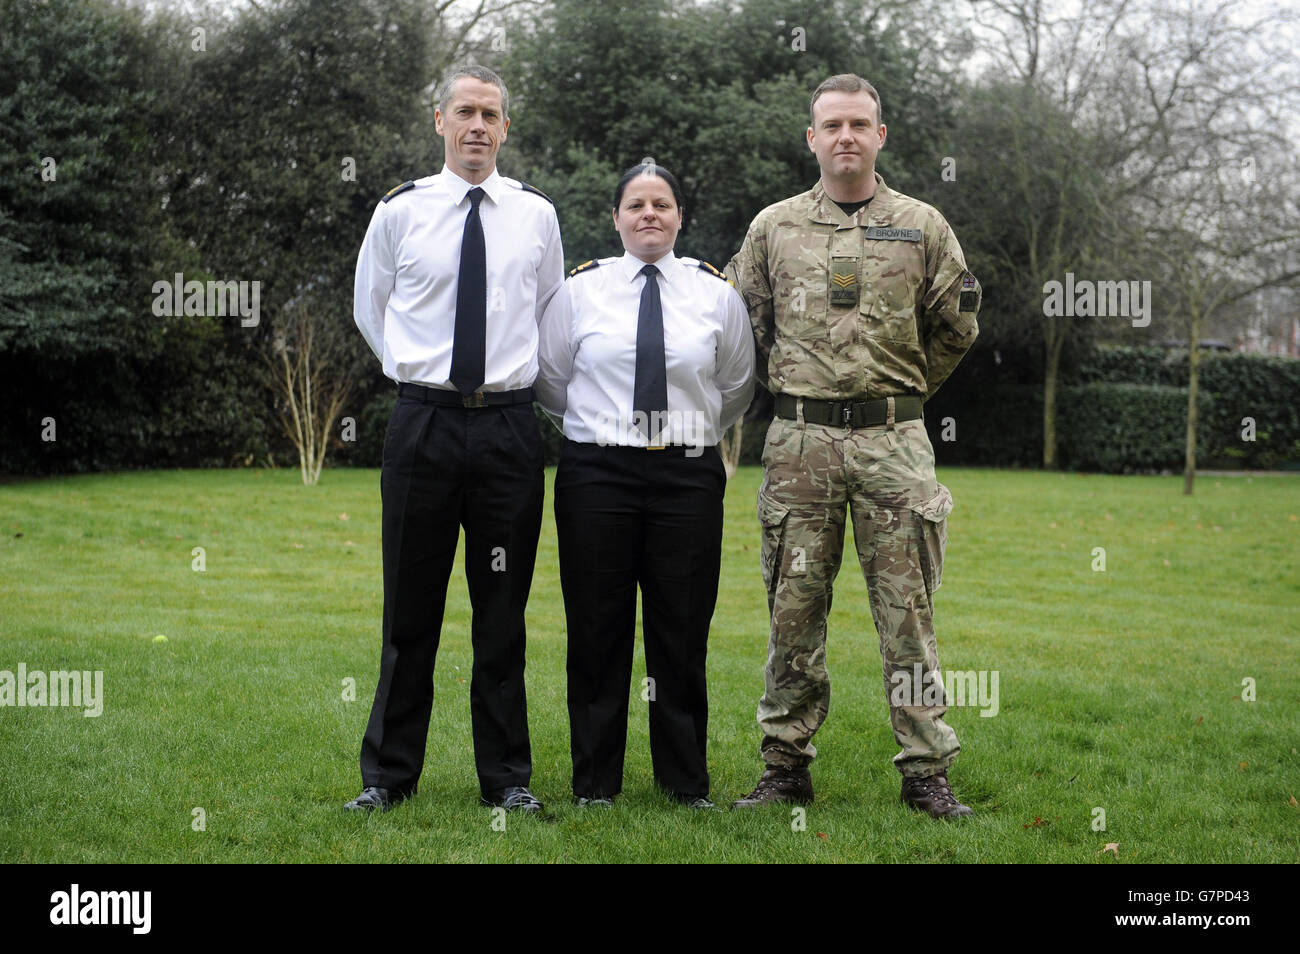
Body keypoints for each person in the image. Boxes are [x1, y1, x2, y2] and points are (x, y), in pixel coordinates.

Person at [725, 74, 981, 819]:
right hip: (798, 445)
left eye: (859, 124)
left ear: (880, 136)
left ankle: (925, 771)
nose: (845, 136)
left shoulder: (923, 225)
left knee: (908, 615)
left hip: (893, 449)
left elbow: (958, 325)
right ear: (812, 137)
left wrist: (900, 398)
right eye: (831, 124)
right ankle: (784, 766)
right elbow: (747, 330)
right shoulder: (773, 228)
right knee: (793, 610)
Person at [346, 65, 563, 815]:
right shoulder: (401, 212)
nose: (478, 125)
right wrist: (419, 379)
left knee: (502, 612)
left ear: (506, 128)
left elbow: (549, 318)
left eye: (491, 114)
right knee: (409, 608)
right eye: (465, 111)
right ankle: (387, 778)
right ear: (438, 119)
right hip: (423, 426)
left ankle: (507, 781)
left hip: (507, 429)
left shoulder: (536, 215)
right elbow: (371, 308)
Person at [534, 160, 754, 809]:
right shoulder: (580, 292)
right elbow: (550, 379)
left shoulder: (715, 294)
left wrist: (691, 433)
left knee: (680, 631)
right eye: (636, 204)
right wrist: (600, 431)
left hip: (685, 475)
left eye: (662, 204)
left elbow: (736, 385)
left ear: (680, 217)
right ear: (616, 218)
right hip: (597, 473)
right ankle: (595, 784)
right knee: (597, 630)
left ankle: (685, 784)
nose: (649, 214)